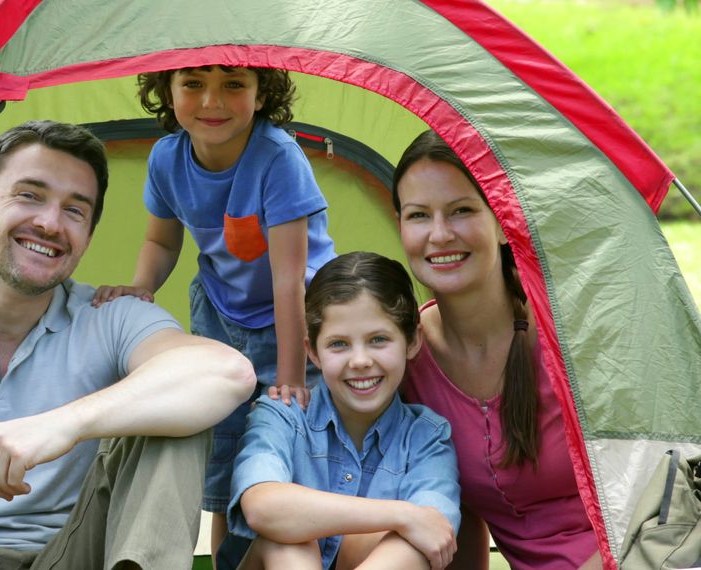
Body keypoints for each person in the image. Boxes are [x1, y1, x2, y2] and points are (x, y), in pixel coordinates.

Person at [0, 120, 257, 570]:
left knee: (178, 412)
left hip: (70, 556)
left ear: (88, 235)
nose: (48, 223)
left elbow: (228, 373)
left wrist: (64, 425)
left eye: (75, 210)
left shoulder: (110, 316)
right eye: (29, 195)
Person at [91, 64, 336, 563]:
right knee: (224, 450)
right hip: (220, 313)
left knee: (279, 442)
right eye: (193, 85)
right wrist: (141, 287)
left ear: (261, 95)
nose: (212, 102)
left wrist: (291, 378)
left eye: (233, 85)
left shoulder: (277, 159)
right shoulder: (167, 159)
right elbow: (161, 239)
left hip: (294, 318)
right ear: (168, 91)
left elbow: (289, 281)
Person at [392, 130, 600, 569]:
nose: (440, 234)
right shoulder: (406, 358)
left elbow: (654, 479)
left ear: (504, 222)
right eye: (418, 216)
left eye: (462, 210)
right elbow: (453, 510)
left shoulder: (569, 332)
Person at [229, 251, 461, 570]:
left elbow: (434, 530)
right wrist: (402, 514)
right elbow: (261, 507)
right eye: (339, 344)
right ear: (313, 352)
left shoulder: (428, 438)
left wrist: (408, 523)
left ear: (412, 341)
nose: (360, 360)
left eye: (378, 339)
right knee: (289, 544)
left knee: (408, 540)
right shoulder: (282, 414)